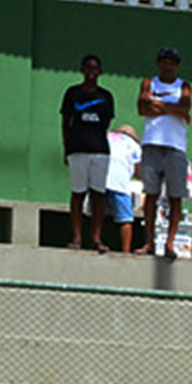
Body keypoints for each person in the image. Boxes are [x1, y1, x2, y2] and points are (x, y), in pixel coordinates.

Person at [136, 47, 192, 261]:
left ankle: (169, 243)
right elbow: (142, 108)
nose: (168, 66)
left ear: (177, 66)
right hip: (151, 144)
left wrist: (157, 104)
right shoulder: (149, 83)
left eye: (172, 63)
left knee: (175, 197)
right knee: (150, 195)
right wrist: (173, 109)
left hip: (175, 147)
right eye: (164, 62)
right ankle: (149, 242)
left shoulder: (183, 86)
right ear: (158, 64)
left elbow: (185, 108)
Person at [60, 54, 115, 252]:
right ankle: (77, 238)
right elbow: (66, 122)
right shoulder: (72, 93)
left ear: (100, 72)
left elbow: (106, 123)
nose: (91, 72)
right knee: (78, 193)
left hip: (100, 150)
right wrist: (67, 147)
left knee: (98, 194)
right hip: (77, 149)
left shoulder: (106, 96)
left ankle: (96, 238)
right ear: (82, 70)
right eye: (88, 68)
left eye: (95, 68)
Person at [102, 124, 140, 256]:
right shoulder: (133, 145)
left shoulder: (106, 137)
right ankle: (126, 251)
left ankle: (96, 243)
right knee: (126, 219)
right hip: (120, 183)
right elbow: (139, 172)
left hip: (99, 181)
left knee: (97, 215)